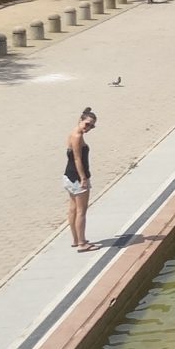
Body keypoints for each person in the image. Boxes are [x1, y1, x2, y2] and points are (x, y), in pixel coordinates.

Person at [64, 108, 99, 252]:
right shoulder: (77, 137)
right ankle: (82, 243)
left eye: (92, 126)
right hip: (78, 177)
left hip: (69, 176)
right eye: (87, 124)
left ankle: (75, 239)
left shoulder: (74, 132)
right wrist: (83, 178)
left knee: (72, 209)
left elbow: (73, 157)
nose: (89, 128)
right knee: (81, 211)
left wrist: (86, 111)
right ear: (80, 121)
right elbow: (78, 159)